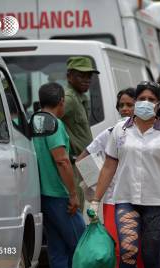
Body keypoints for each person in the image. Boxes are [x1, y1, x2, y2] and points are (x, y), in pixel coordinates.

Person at [92, 81, 160, 268]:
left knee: (150, 254)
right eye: (141, 99)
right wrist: (95, 200)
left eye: (151, 99)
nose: (146, 102)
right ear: (135, 101)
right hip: (125, 200)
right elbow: (109, 166)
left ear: (158, 105)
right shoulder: (120, 129)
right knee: (127, 251)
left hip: (157, 202)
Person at [76, 88, 141, 268]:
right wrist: (95, 184)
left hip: (143, 200)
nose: (125, 109)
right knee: (119, 250)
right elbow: (82, 158)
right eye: (121, 105)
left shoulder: (149, 133)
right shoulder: (110, 133)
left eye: (130, 104)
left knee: (140, 251)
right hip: (114, 201)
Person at [33, 82, 86, 268]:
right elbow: (62, 161)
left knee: (58, 251)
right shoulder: (53, 123)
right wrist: (72, 194)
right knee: (83, 247)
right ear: (61, 102)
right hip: (59, 195)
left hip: (41, 196)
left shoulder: (32, 121)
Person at [61, 56, 100, 208]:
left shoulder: (80, 97)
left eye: (89, 76)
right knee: (75, 209)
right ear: (69, 77)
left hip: (85, 162)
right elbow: (46, 122)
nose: (86, 80)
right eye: (81, 75)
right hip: (73, 163)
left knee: (91, 206)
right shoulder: (69, 99)